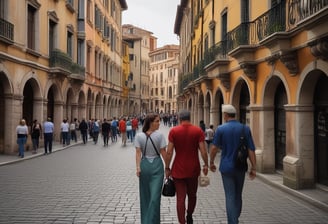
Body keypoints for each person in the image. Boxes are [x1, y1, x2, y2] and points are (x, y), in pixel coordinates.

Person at [209, 104, 256, 224]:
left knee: (230, 195)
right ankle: (235, 217)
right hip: (240, 167)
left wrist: (211, 162)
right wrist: (254, 168)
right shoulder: (245, 128)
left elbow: (214, 148)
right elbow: (251, 149)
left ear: (225, 115)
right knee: (238, 194)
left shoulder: (221, 129)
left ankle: (233, 221)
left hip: (226, 167)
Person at [164, 109, 208, 224]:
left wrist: (167, 167)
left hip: (178, 169)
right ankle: (189, 214)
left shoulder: (174, 131)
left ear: (179, 118)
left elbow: (169, 152)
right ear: (190, 118)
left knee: (180, 198)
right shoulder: (198, 131)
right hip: (193, 168)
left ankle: (182, 222)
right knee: (192, 195)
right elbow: (203, 151)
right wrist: (206, 164)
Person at [134, 113, 167, 224]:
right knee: (151, 197)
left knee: (151, 197)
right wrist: (167, 167)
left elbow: (139, 153)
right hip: (156, 166)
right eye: (157, 121)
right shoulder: (159, 136)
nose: (159, 123)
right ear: (150, 122)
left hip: (145, 165)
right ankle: (149, 221)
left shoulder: (139, 136)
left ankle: (149, 221)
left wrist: (139, 167)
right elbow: (163, 153)